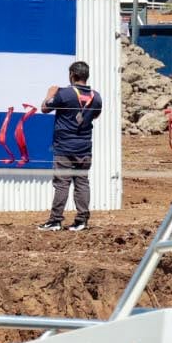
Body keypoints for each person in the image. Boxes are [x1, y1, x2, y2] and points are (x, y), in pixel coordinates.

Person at [37, 60, 102, 232]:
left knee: (62, 183)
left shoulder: (64, 94)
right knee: (82, 183)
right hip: (84, 147)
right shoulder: (97, 97)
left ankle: (55, 220)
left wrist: (49, 94)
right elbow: (95, 116)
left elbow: (44, 108)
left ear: (72, 75)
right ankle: (81, 221)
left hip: (64, 147)